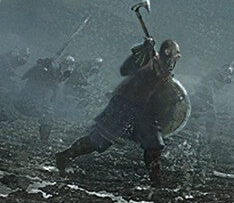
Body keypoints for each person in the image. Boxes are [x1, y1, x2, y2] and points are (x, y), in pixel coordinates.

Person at [54, 38, 182, 186]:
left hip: (144, 108)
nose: (178, 55)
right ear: (167, 51)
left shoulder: (164, 65)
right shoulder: (151, 60)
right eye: (176, 52)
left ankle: (157, 180)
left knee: (154, 144)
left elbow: (163, 83)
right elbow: (126, 69)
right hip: (125, 104)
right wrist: (144, 48)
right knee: (100, 139)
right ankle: (65, 156)